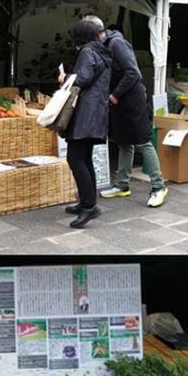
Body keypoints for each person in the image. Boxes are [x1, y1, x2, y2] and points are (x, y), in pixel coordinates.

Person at [83, 16, 169, 208]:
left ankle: (158, 186)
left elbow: (133, 72)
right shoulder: (101, 46)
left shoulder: (117, 44)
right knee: (123, 142)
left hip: (132, 100)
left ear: (97, 32)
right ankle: (122, 184)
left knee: (143, 141)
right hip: (118, 101)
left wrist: (115, 94)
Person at [61, 20, 113, 228]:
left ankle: (90, 206)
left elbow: (82, 79)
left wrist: (65, 78)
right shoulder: (102, 52)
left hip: (86, 112)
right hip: (97, 111)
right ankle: (86, 202)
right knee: (85, 157)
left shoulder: (87, 52)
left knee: (74, 157)